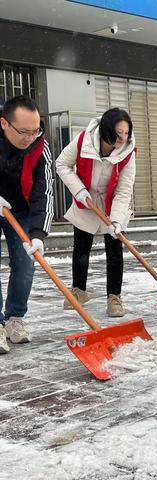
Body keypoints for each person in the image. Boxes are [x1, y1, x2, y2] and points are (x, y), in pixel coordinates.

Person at [56, 108, 136, 318]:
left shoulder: (128, 152)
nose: (122, 139)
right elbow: (62, 164)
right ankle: (79, 291)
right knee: (81, 247)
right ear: (106, 130)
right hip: (87, 199)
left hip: (112, 203)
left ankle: (114, 297)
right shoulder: (84, 140)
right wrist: (79, 190)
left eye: (126, 133)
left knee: (114, 249)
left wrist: (117, 220)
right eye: (118, 133)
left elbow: (124, 189)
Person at [0, 95, 54, 353]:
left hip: (19, 209)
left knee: (24, 264)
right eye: (23, 131)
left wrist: (38, 234)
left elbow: (43, 192)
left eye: (35, 130)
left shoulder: (39, 146)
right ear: (4, 124)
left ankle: (14, 319)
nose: (30, 137)